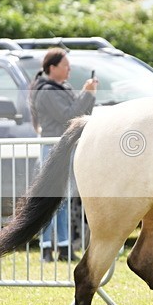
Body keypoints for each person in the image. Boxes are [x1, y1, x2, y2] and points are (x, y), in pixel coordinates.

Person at [29, 47, 97, 261]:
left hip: (64, 147)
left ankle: (64, 247)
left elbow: (82, 114)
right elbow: (68, 116)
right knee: (50, 198)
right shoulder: (47, 91)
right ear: (52, 67)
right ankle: (46, 248)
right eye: (65, 65)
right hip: (52, 148)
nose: (69, 69)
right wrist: (86, 93)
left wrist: (89, 95)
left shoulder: (62, 88)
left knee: (64, 199)